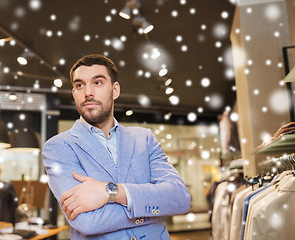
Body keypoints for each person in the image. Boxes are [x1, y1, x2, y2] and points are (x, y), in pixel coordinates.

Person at [43, 54, 191, 239]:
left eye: (97, 82)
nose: (88, 92)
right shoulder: (58, 147)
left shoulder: (144, 139)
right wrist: (150, 209)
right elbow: (87, 222)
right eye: (80, 85)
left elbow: (179, 198)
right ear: (74, 93)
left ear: (115, 90)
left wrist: (111, 192)